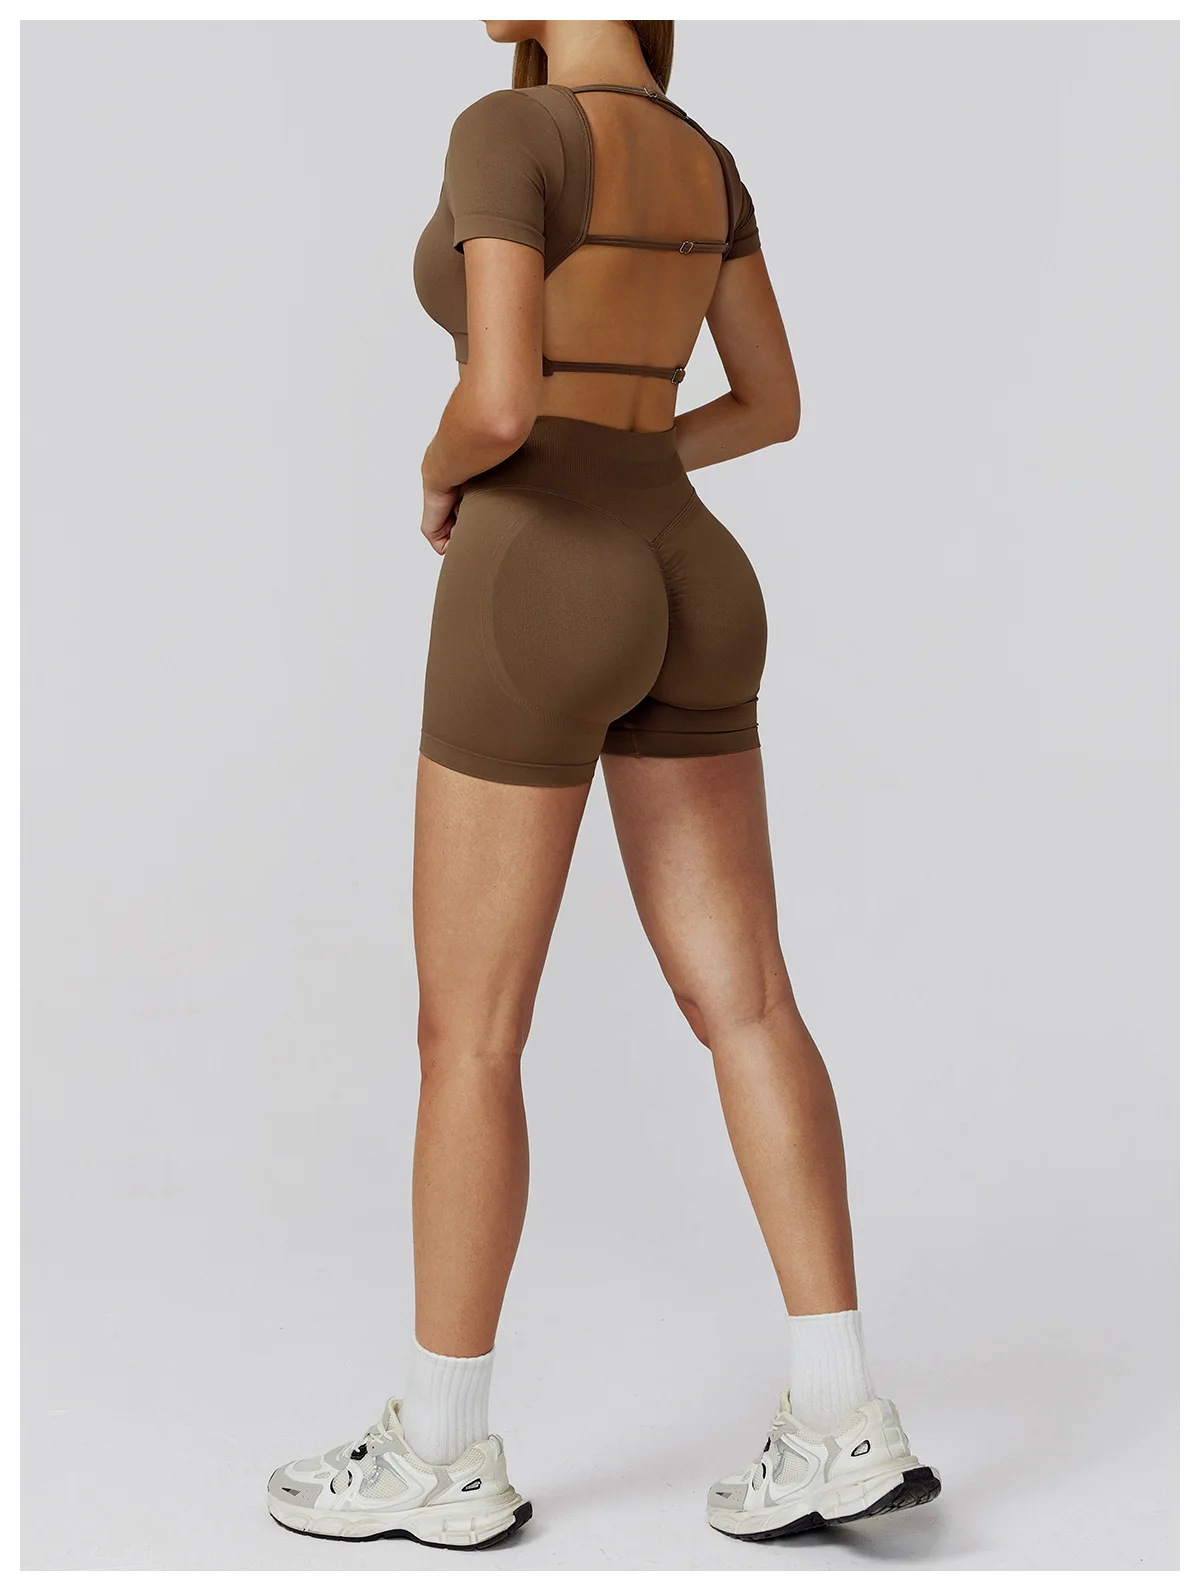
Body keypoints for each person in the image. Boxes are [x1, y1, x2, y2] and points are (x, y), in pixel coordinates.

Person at [266, 19, 940, 1550]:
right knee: (748, 999)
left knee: (470, 1032)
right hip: (690, 566)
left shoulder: (509, 133)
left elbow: (503, 398)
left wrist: (445, 469)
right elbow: (771, 401)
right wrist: (639, 466)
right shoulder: (707, 162)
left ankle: (443, 1449)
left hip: (536, 571)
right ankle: (841, 1413)